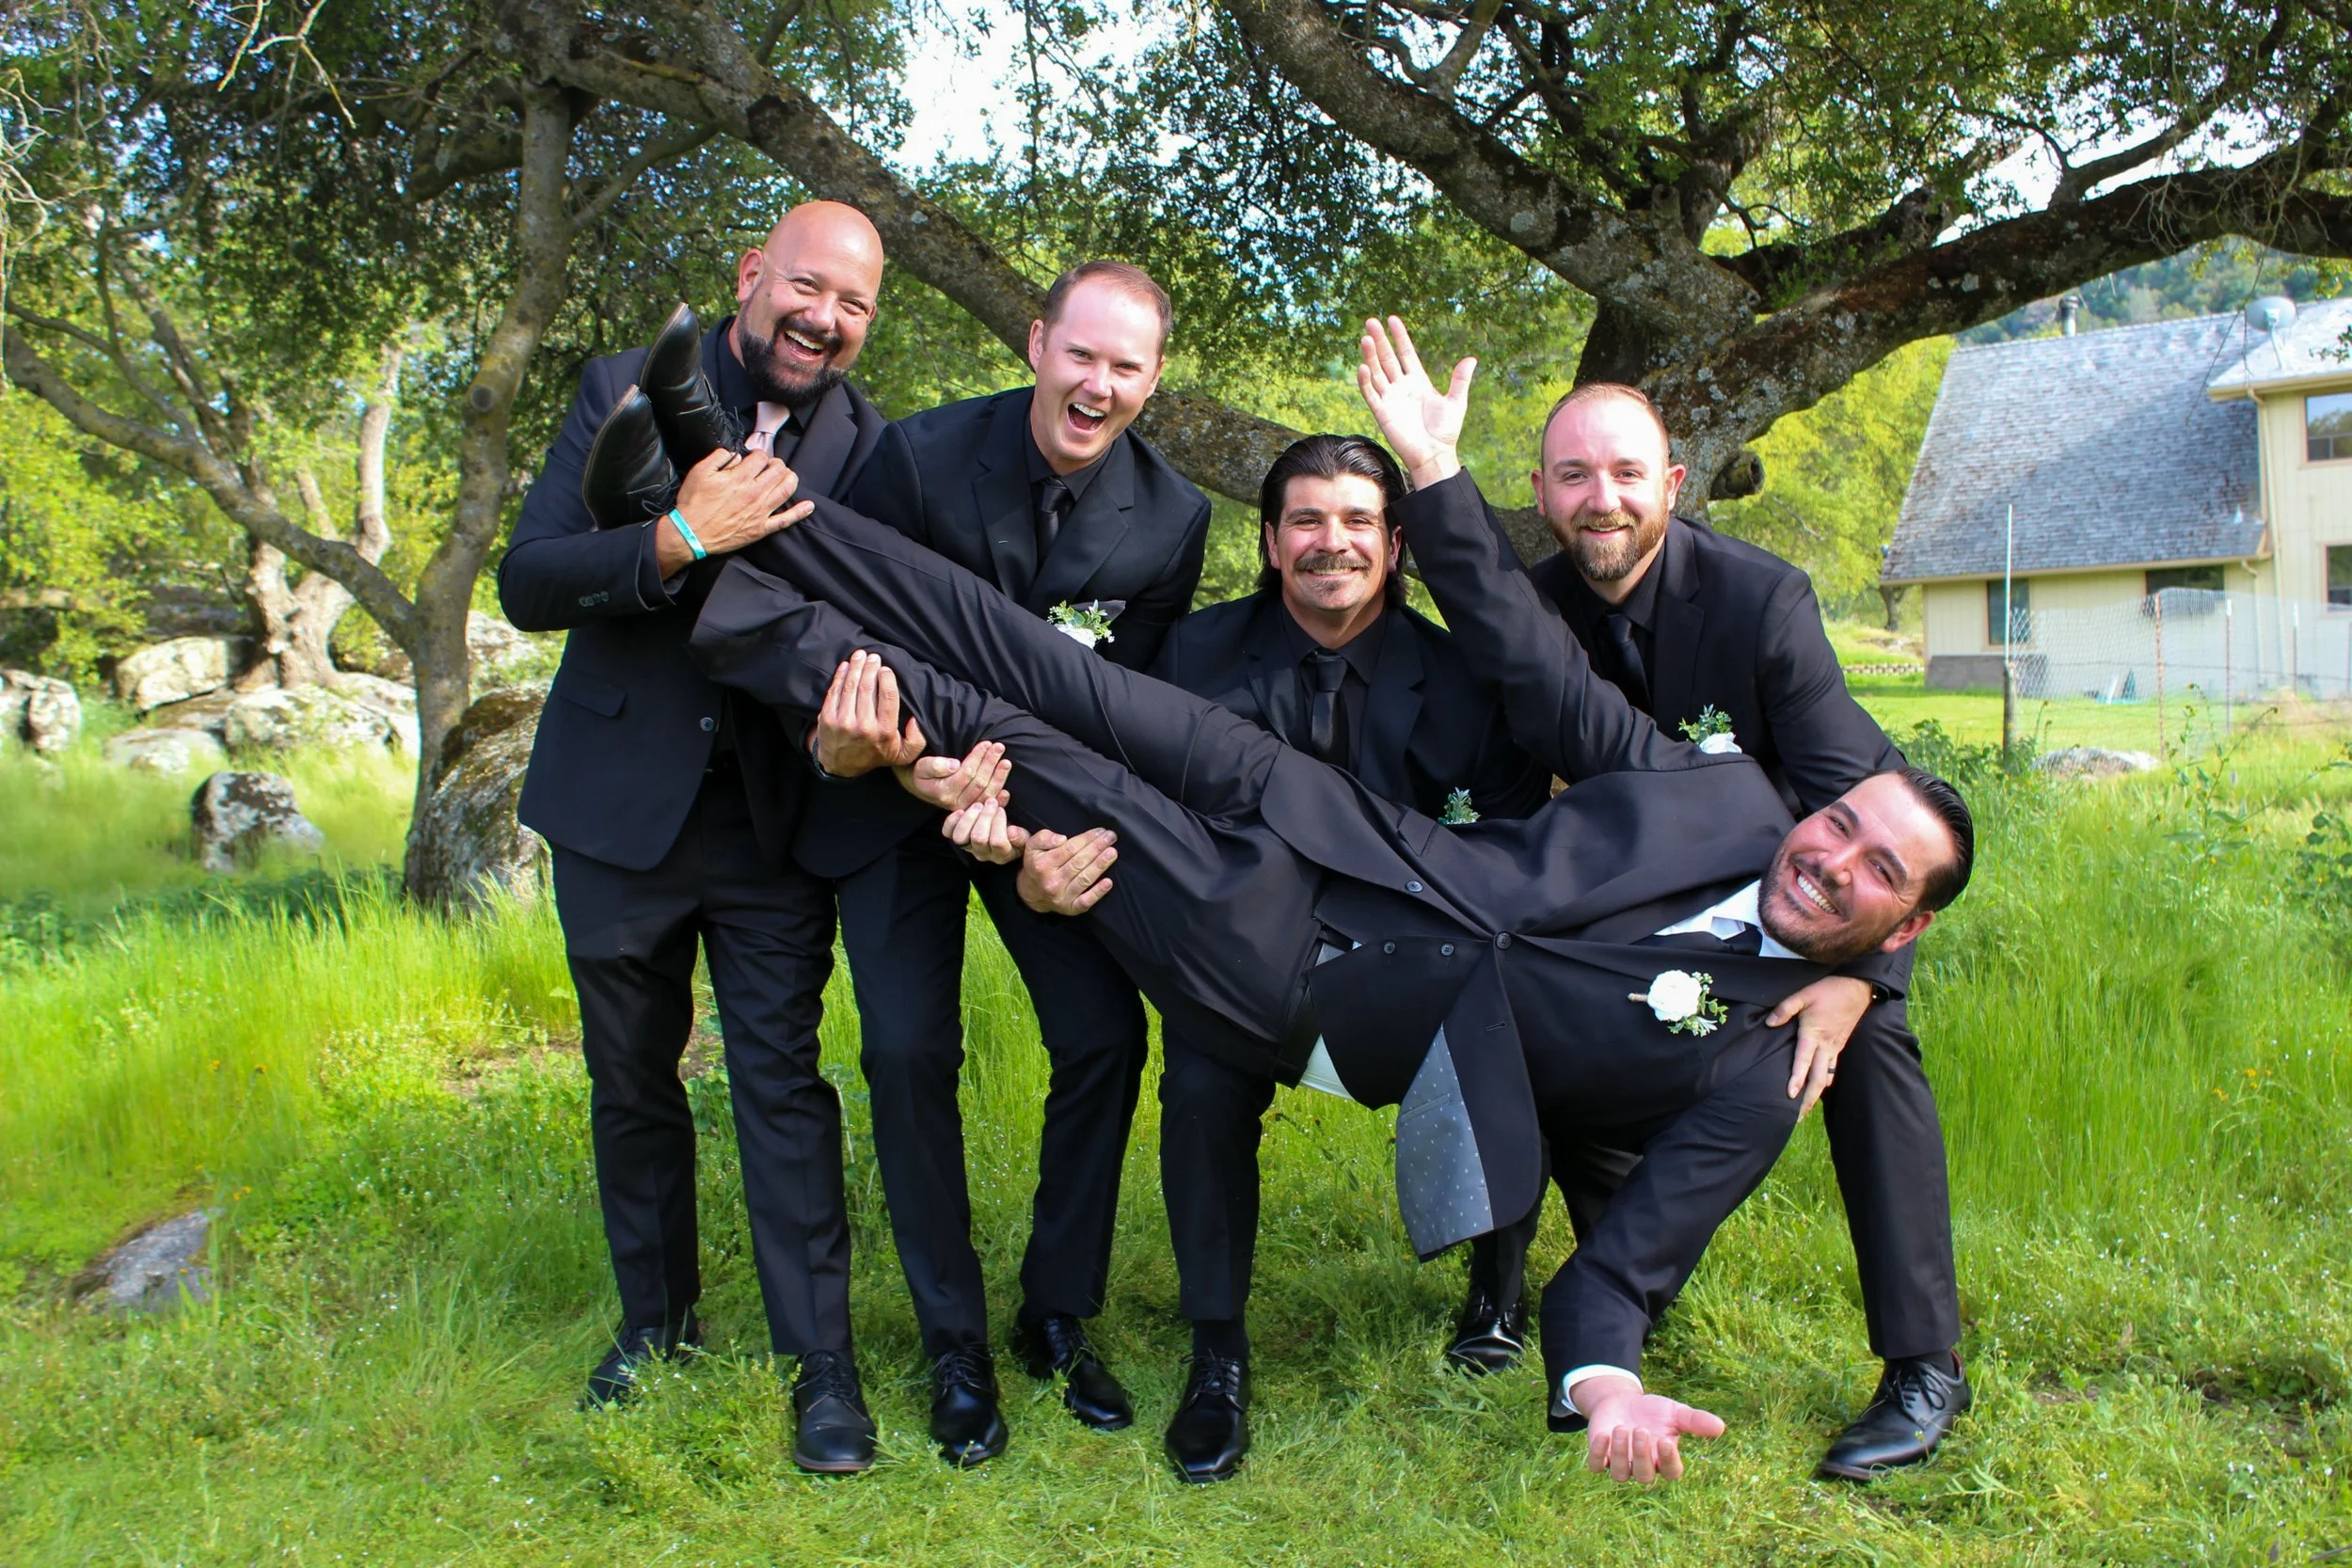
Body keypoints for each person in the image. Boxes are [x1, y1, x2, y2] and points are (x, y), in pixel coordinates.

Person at [577, 362, 1972, 1486]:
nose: (1833, 852)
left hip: (1305, 972)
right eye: (1842, 824)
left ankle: (710, 585)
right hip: (1320, 817)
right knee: (1017, 649)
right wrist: (1430, 465)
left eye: (1871, 873)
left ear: (1900, 919)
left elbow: (1622, 1266)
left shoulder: (1759, 1063)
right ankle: (743, 503)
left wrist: (1604, 1379)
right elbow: (1550, 682)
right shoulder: (1735, 797)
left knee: (1011, 734)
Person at [1451, 357, 1968, 1479]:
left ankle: (1924, 1361)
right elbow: (1494, 792)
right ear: (1539, 492)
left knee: (1865, 1042)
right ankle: (1503, 1285)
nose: (1604, 498)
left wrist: (1860, 976)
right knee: (1498, 966)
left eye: (1627, 472)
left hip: (1782, 895)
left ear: (1673, 482)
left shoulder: (1759, 602)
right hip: (1598, 901)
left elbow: (1863, 799)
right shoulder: (1522, 611)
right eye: (1575, 475)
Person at [791, 261, 1213, 1465]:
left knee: (1105, 1036)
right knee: (908, 1046)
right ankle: (951, 1338)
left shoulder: (1176, 520)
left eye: (1126, 365)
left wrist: (1034, 847)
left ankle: (1053, 1311)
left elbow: (1116, 715)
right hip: (896, 792)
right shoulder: (917, 459)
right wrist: (918, 769)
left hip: (1040, 812)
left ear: (1153, 378)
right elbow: (839, 630)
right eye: (1081, 354)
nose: (1098, 384)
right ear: (1037, 343)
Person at [496, 201, 889, 1473]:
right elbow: (532, 576)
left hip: (777, 820)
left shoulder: (874, 447)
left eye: (855, 305)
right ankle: (653, 1324)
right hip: (618, 810)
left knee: (783, 1084)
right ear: (752, 275)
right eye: (808, 286)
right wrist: (677, 537)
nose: (824, 319)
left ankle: (819, 1365)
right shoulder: (622, 387)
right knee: (632, 1082)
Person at [1143, 433, 1548, 1481]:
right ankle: (1217, 1348)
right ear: (1270, 541)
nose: (1334, 543)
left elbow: (1509, 850)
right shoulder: (1191, 657)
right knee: (1196, 1078)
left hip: (1418, 960)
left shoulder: (1465, 676)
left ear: (1397, 542)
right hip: (1242, 960)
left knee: (1517, 997)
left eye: (1359, 520)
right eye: (1309, 521)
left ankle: (1497, 1287)